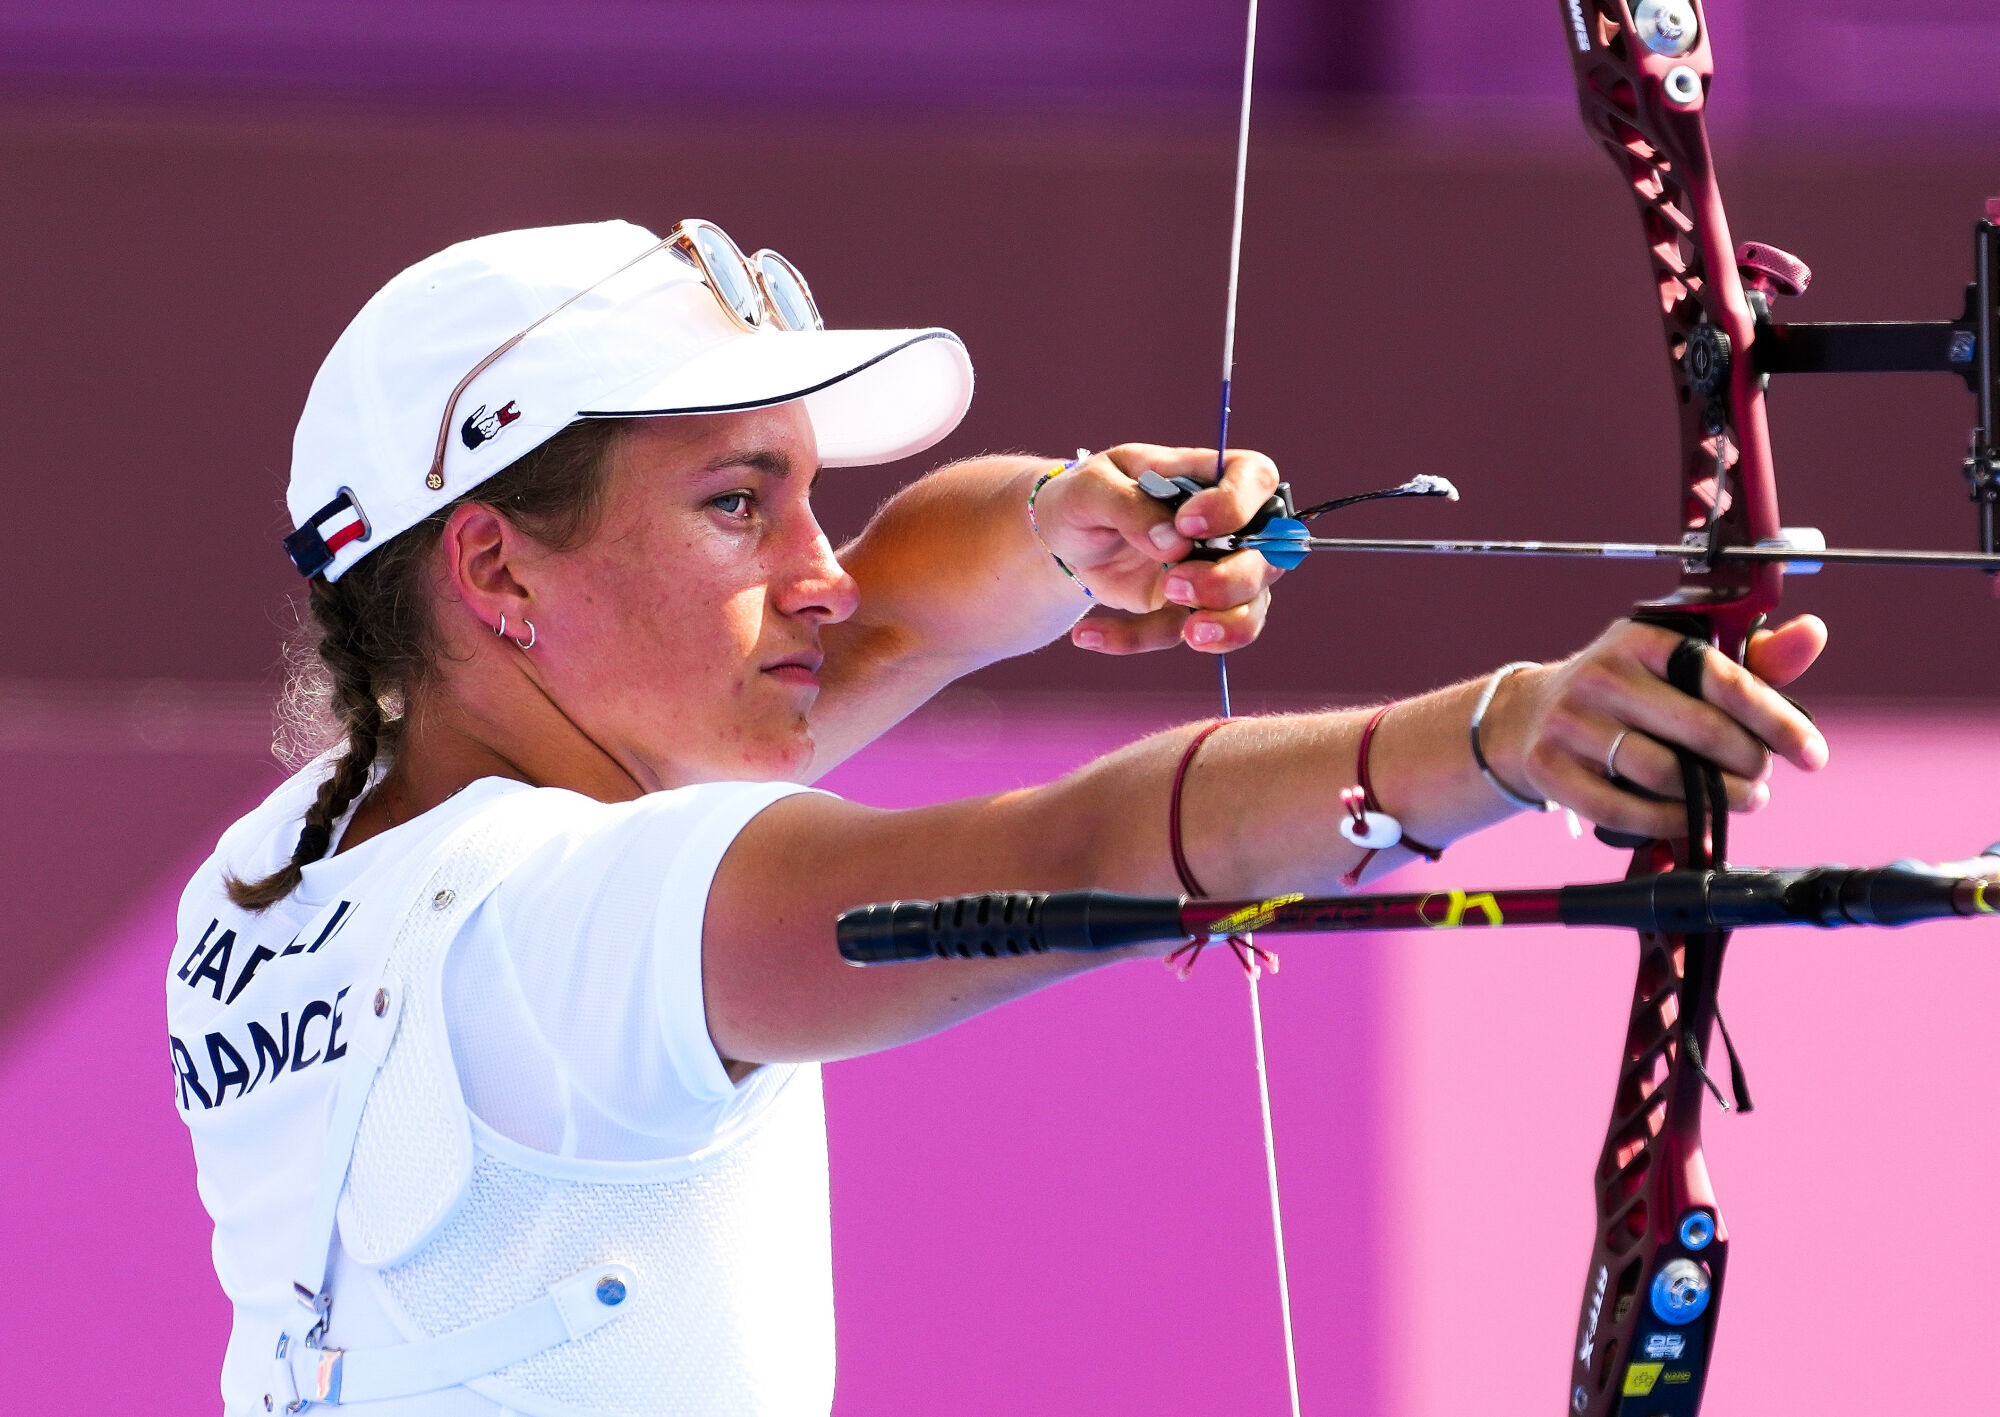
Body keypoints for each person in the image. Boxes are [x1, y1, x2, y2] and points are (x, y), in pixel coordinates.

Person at [166, 218, 1828, 1417]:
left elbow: (893, 607)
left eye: (808, 496)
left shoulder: (278, 869)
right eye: (739, 503)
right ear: (498, 567)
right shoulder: (577, 924)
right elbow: (1078, 849)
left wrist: (1069, 523)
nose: (820, 571)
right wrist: (1503, 733)